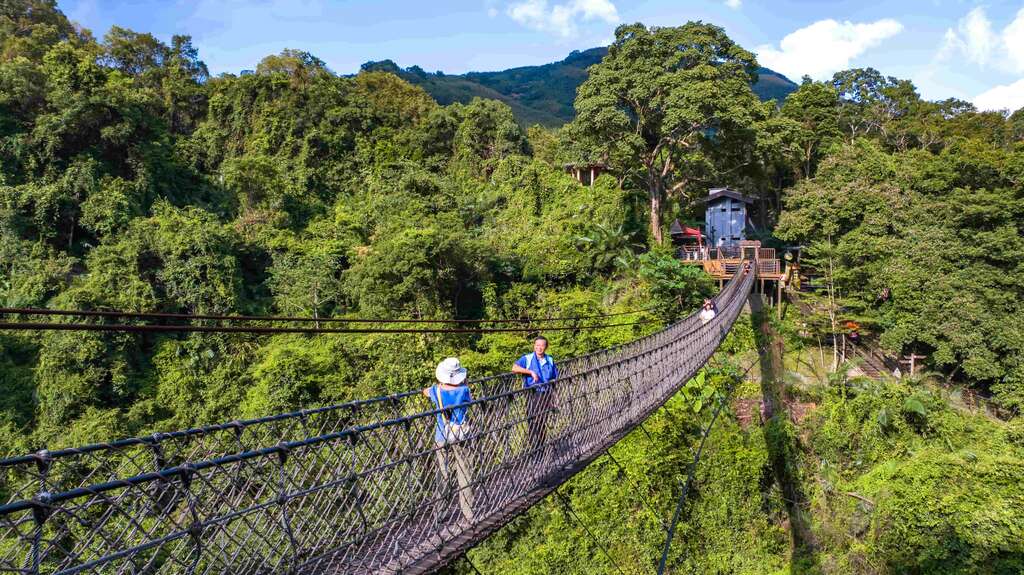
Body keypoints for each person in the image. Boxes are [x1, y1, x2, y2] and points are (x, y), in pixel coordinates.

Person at [423, 357, 475, 522]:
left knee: (443, 473)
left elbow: (425, 392)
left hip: (442, 435)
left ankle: (440, 513)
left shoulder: (436, 391)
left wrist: (438, 385)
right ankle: (468, 513)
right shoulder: (464, 390)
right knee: (465, 472)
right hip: (461, 435)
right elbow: (470, 401)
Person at [511, 336, 559, 463]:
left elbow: (554, 378)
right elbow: (514, 368)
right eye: (537, 345)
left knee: (541, 423)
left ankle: (540, 450)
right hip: (532, 394)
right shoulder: (527, 358)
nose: (539, 348)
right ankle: (536, 452)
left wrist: (554, 398)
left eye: (542, 345)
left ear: (546, 347)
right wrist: (530, 372)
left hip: (546, 394)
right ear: (534, 346)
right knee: (533, 422)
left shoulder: (550, 359)